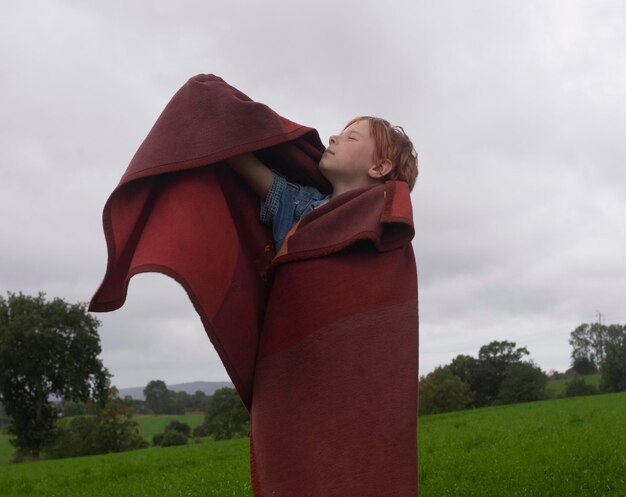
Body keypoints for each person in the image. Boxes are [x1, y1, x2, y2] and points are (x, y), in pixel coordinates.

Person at [227, 116, 418, 250]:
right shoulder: (300, 205)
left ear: (378, 168)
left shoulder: (388, 229)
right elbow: (241, 159)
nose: (333, 138)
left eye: (350, 138)